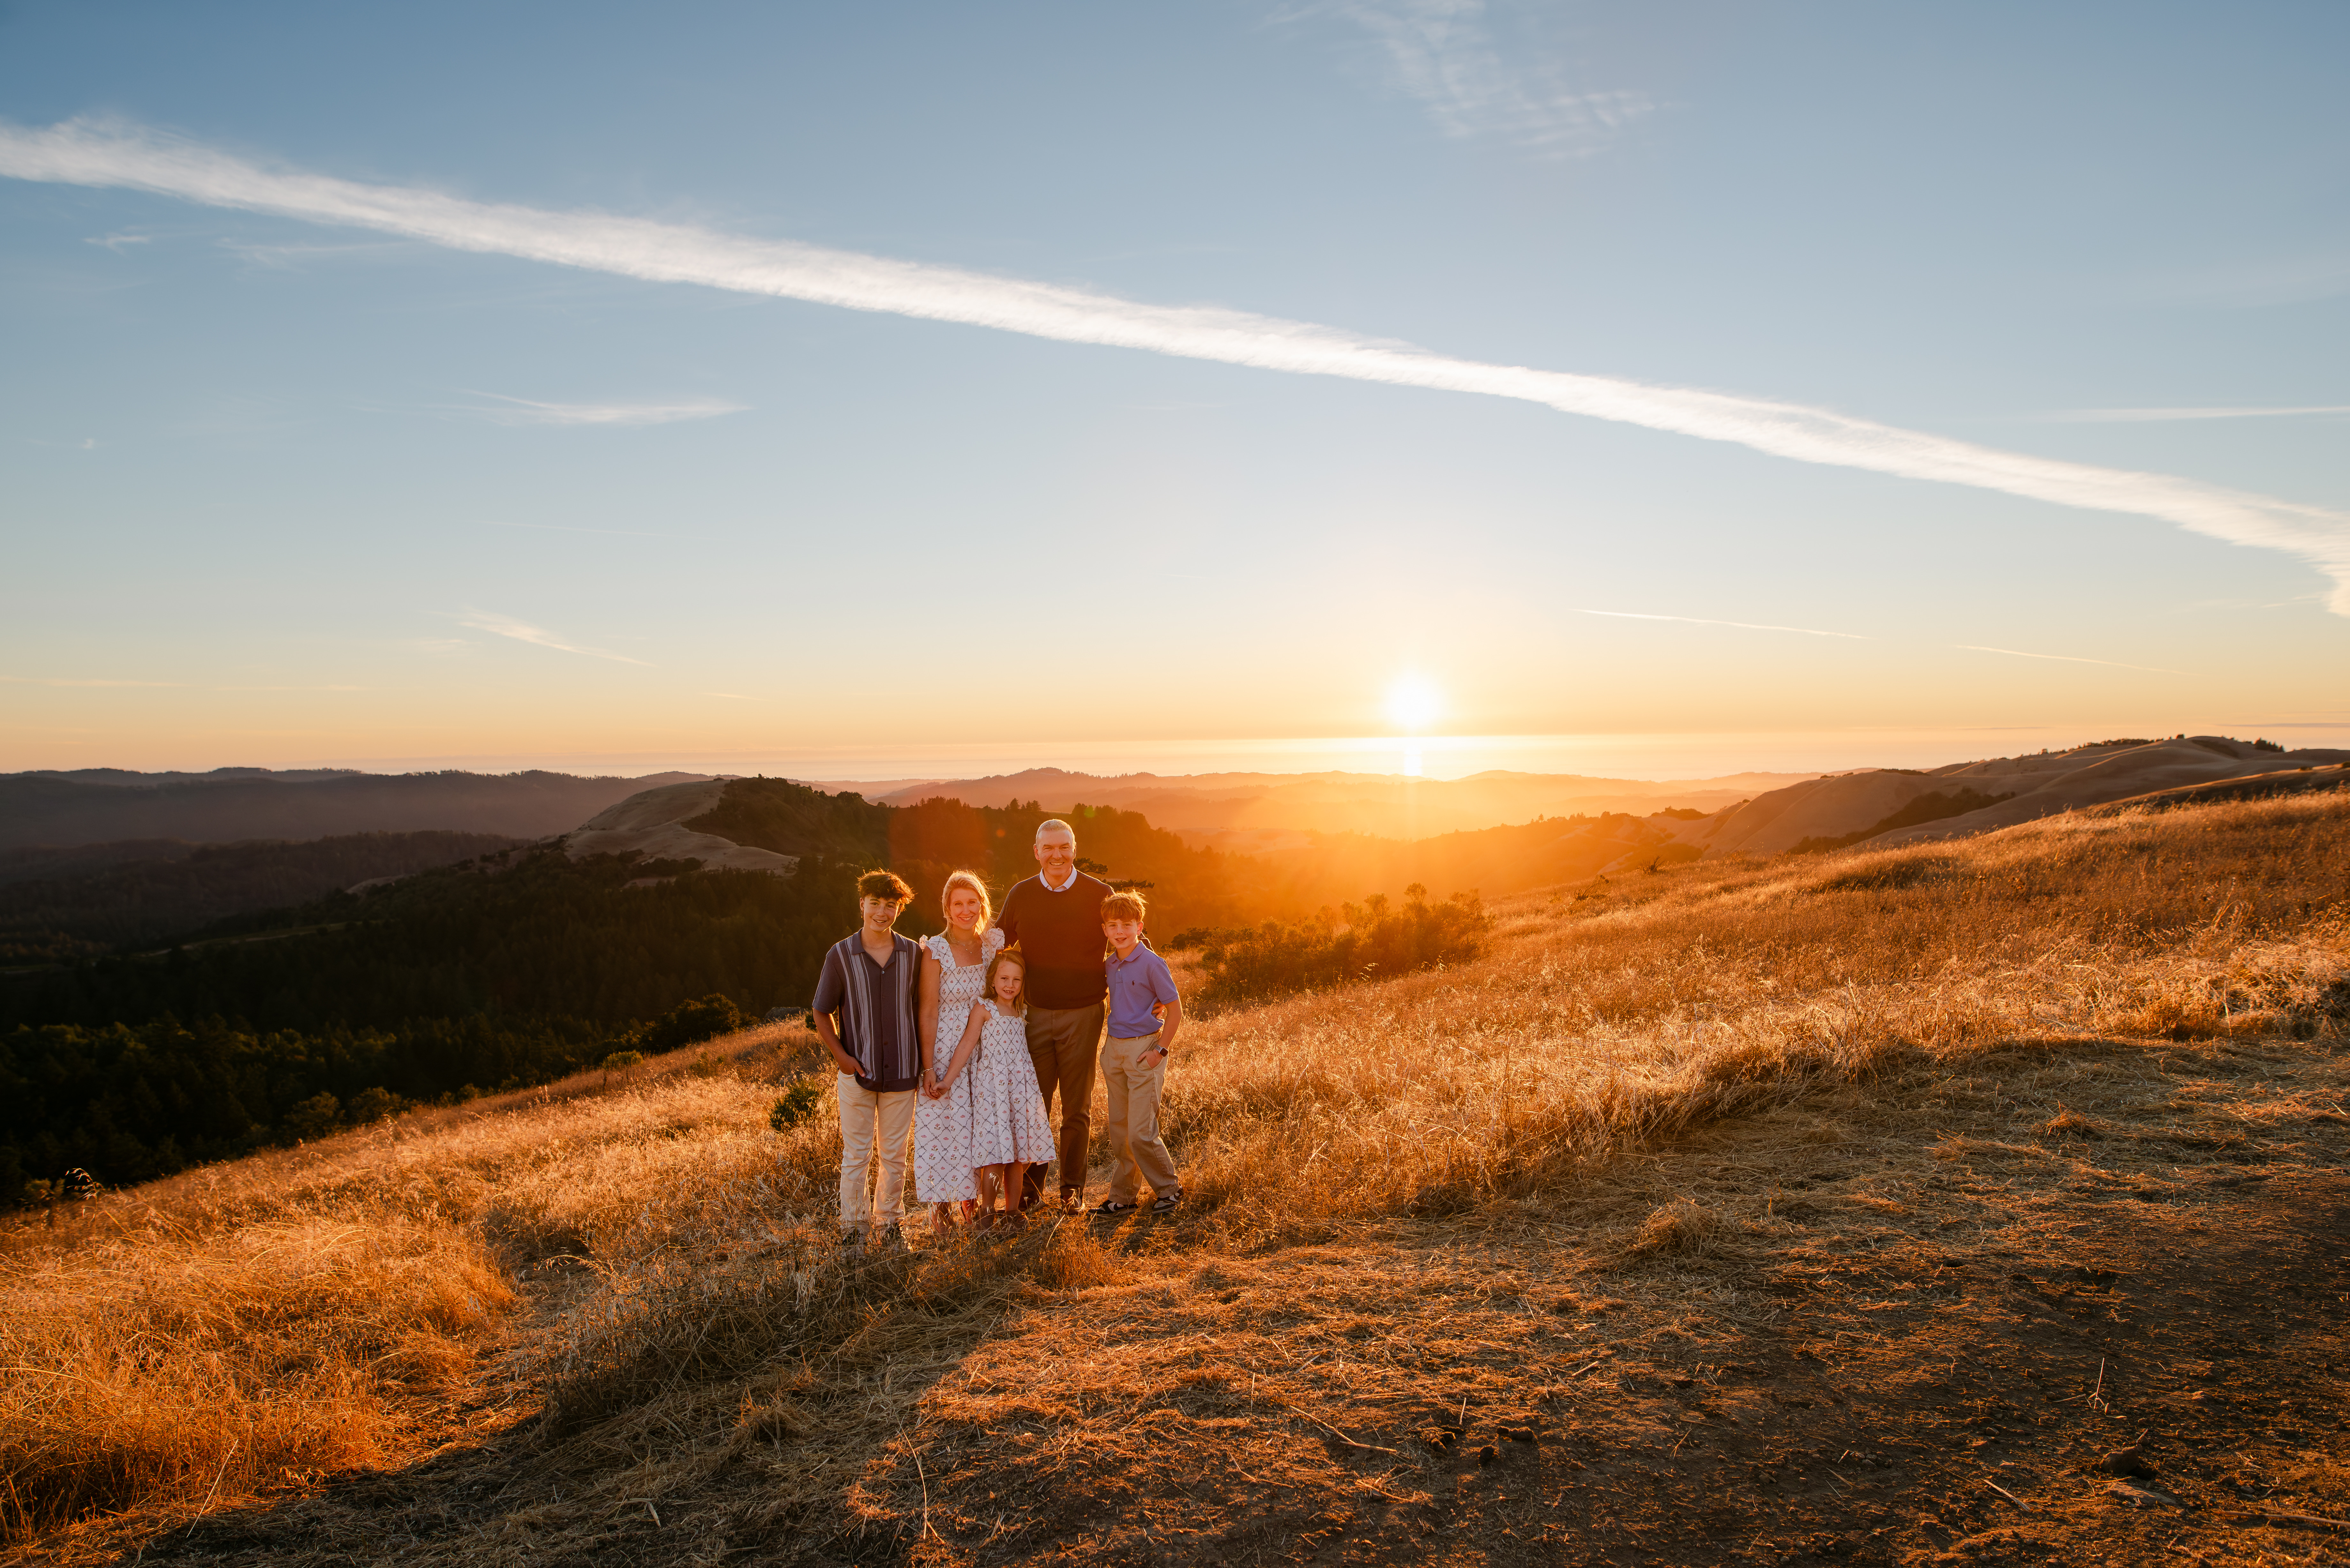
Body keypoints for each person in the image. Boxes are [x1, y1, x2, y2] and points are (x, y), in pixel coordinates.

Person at [994, 818, 1112, 1212]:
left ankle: (1073, 1190)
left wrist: (1153, 990)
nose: (1057, 855)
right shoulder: (1021, 894)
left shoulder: (1100, 893)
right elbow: (997, 944)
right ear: (1037, 852)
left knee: (1076, 1108)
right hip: (1034, 1015)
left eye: (1064, 847)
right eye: (1049, 848)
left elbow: (1127, 936)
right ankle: (1031, 1190)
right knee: (1034, 1106)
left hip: (1084, 1014)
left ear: (1073, 849)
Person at [810, 869, 922, 1248]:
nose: (882, 912)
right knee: (856, 1155)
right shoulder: (841, 955)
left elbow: (924, 1009)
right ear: (862, 904)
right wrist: (842, 1057)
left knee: (895, 1157)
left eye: (890, 905)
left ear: (899, 909)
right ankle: (853, 1233)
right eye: (875, 903)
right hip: (857, 1072)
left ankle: (890, 1226)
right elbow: (820, 1011)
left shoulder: (913, 954)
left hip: (904, 1072)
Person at [927, 945, 1057, 1231]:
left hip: (1020, 1090)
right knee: (995, 1155)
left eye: (1016, 980)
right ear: (993, 981)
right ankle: (986, 1213)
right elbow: (966, 1045)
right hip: (994, 1092)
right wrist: (947, 1080)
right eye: (1004, 979)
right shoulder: (984, 1009)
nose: (1010, 986)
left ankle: (1012, 1212)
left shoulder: (1021, 1010)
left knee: (1019, 1154)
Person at [912, 871, 1000, 1234]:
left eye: (972, 902)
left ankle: (976, 1206)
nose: (966, 910)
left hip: (986, 1048)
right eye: (958, 903)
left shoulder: (992, 944)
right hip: (947, 1044)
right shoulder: (936, 949)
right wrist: (929, 1066)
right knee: (944, 1128)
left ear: (982, 904)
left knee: (982, 1126)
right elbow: (928, 1010)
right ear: (947, 908)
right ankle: (941, 1210)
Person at [1093, 889, 1185, 1215]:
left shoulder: (1151, 962)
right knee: (1119, 1129)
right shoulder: (1109, 964)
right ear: (1104, 929)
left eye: (1127, 925)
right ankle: (1123, 1197)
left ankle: (1169, 1190)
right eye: (1113, 925)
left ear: (1139, 927)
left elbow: (1175, 1011)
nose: (1120, 931)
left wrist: (1159, 1051)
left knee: (1141, 1131)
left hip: (1145, 1049)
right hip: (1114, 1051)